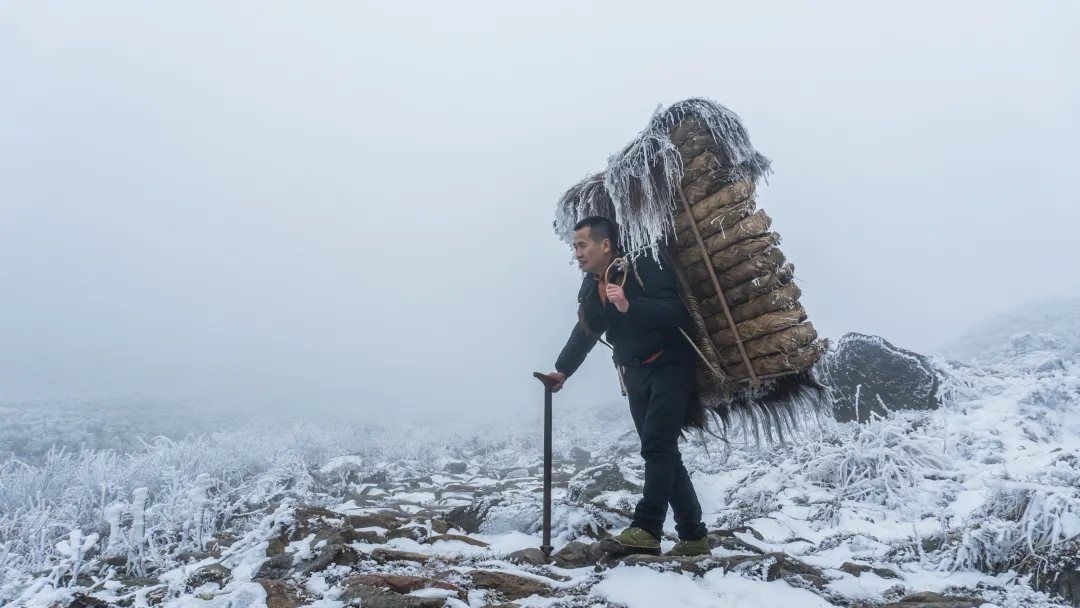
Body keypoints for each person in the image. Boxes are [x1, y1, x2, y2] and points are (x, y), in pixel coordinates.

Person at [544, 216, 710, 557]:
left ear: (605, 244)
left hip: (671, 364)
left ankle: (647, 529)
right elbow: (586, 332)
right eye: (574, 247)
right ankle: (694, 537)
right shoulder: (592, 286)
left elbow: (674, 311)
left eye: (581, 245)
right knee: (664, 452)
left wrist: (628, 305)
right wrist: (562, 371)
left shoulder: (644, 264)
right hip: (633, 374)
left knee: (656, 446)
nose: (576, 253)